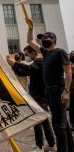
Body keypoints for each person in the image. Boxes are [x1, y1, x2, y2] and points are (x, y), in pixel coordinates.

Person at [26, 18, 74, 152]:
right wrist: (30, 26)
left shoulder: (60, 52)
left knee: (58, 124)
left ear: (53, 39)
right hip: (49, 91)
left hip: (58, 90)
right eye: (42, 38)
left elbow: (68, 72)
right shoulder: (46, 52)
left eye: (46, 37)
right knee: (62, 122)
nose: (43, 39)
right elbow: (30, 41)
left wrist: (66, 91)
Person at [6, 45, 56, 151]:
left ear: (33, 53)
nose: (26, 56)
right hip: (37, 96)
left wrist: (15, 63)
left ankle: (40, 146)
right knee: (44, 121)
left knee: (38, 121)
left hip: (40, 96)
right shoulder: (35, 63)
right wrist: (13, 66)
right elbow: (23, 73)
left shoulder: (40, 62)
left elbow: (28, 69)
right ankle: (50, 144)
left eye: (27, 54)